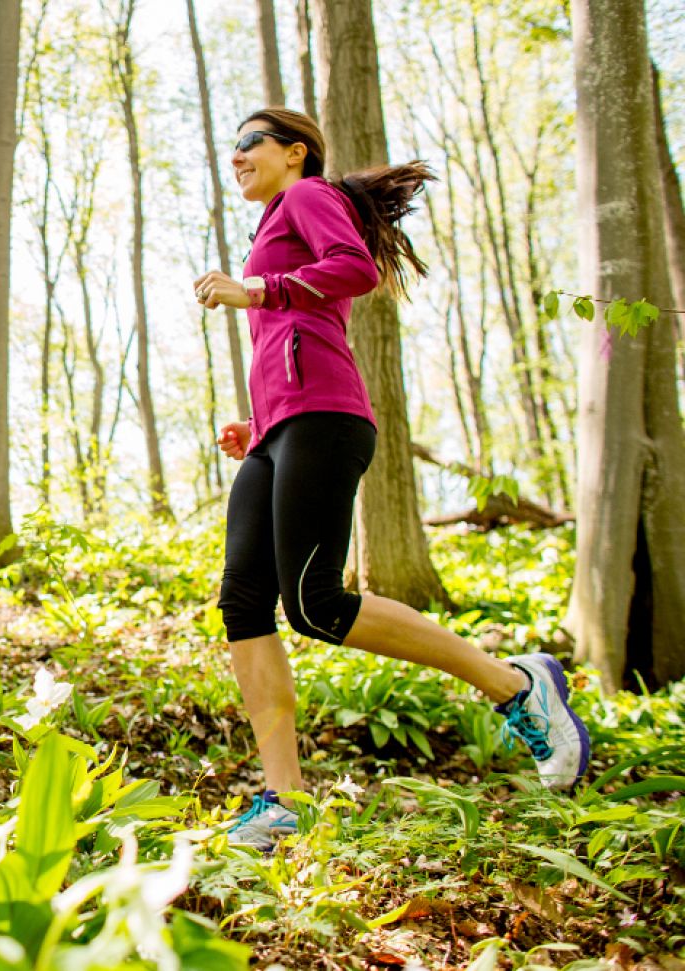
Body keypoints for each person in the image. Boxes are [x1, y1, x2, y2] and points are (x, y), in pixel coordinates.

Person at [193, 107, 590, 850]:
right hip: (282, 430)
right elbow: (301, 333)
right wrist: (258, 424)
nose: (237, 157)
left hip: (326, 419)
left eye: (250, 142)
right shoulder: (274, 222)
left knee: (314, 604)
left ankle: (515, 683)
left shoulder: (307, 198)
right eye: (234, 147)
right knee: (244, 600)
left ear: (296, 152)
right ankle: (286, 800)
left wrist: (254, 290)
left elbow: (356, 271)